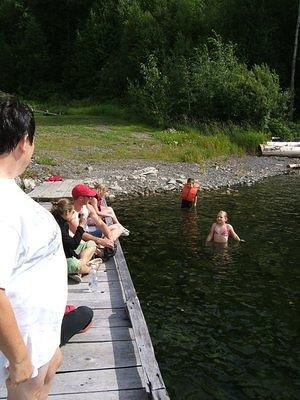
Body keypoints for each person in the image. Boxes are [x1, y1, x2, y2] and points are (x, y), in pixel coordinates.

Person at [0, 98, 67, 399]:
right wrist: (20, 359)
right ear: (25, 141)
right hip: (22, 351)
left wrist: (50, 349)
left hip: (39, 342)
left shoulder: (8, 190)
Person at [51, 198, 97, 283]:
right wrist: (81, 226)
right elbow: (73, 245)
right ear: (67, 212)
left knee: (91, 244)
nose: (73, 215)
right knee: (75, 264)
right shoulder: (58, 226)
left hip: (68, 251)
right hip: (62, 258)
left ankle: (79, 268)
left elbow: (69, 243)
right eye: (72, 212)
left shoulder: (63, 222)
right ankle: (86, 268)